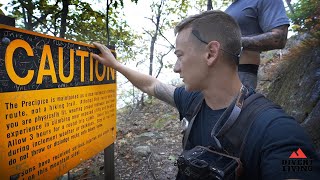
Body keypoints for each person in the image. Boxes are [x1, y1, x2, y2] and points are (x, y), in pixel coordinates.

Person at [92, 10, 319, 180]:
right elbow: (152, 86)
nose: (175, 67)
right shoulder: (193, 100)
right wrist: (115, 65)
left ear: (211, 53)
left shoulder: (279, 133)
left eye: (180, 55)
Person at [225, 0, 290, 89]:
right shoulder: (230, 7)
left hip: (241, 72)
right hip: (212, 74)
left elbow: (279, 39)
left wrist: (234, 41)